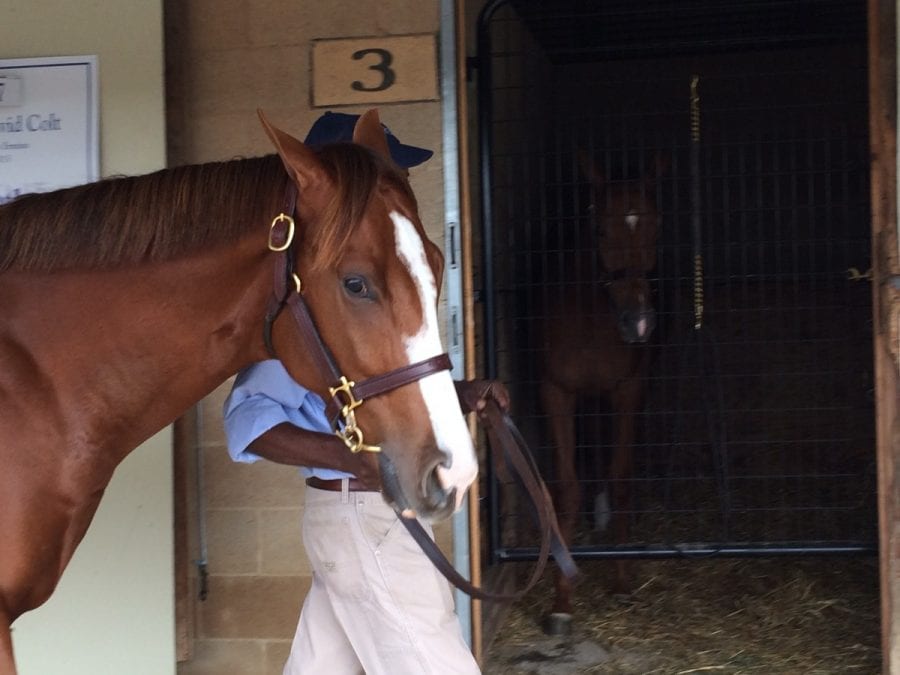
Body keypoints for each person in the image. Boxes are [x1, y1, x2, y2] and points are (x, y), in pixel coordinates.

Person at [223, 111, 509, 675]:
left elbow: (372, 391)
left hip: (356, 516)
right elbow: (247, 420)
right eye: (382, 170)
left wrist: (458, 394)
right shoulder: (318, 317)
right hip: (361, 512)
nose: (393, 183)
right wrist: (351, 457)